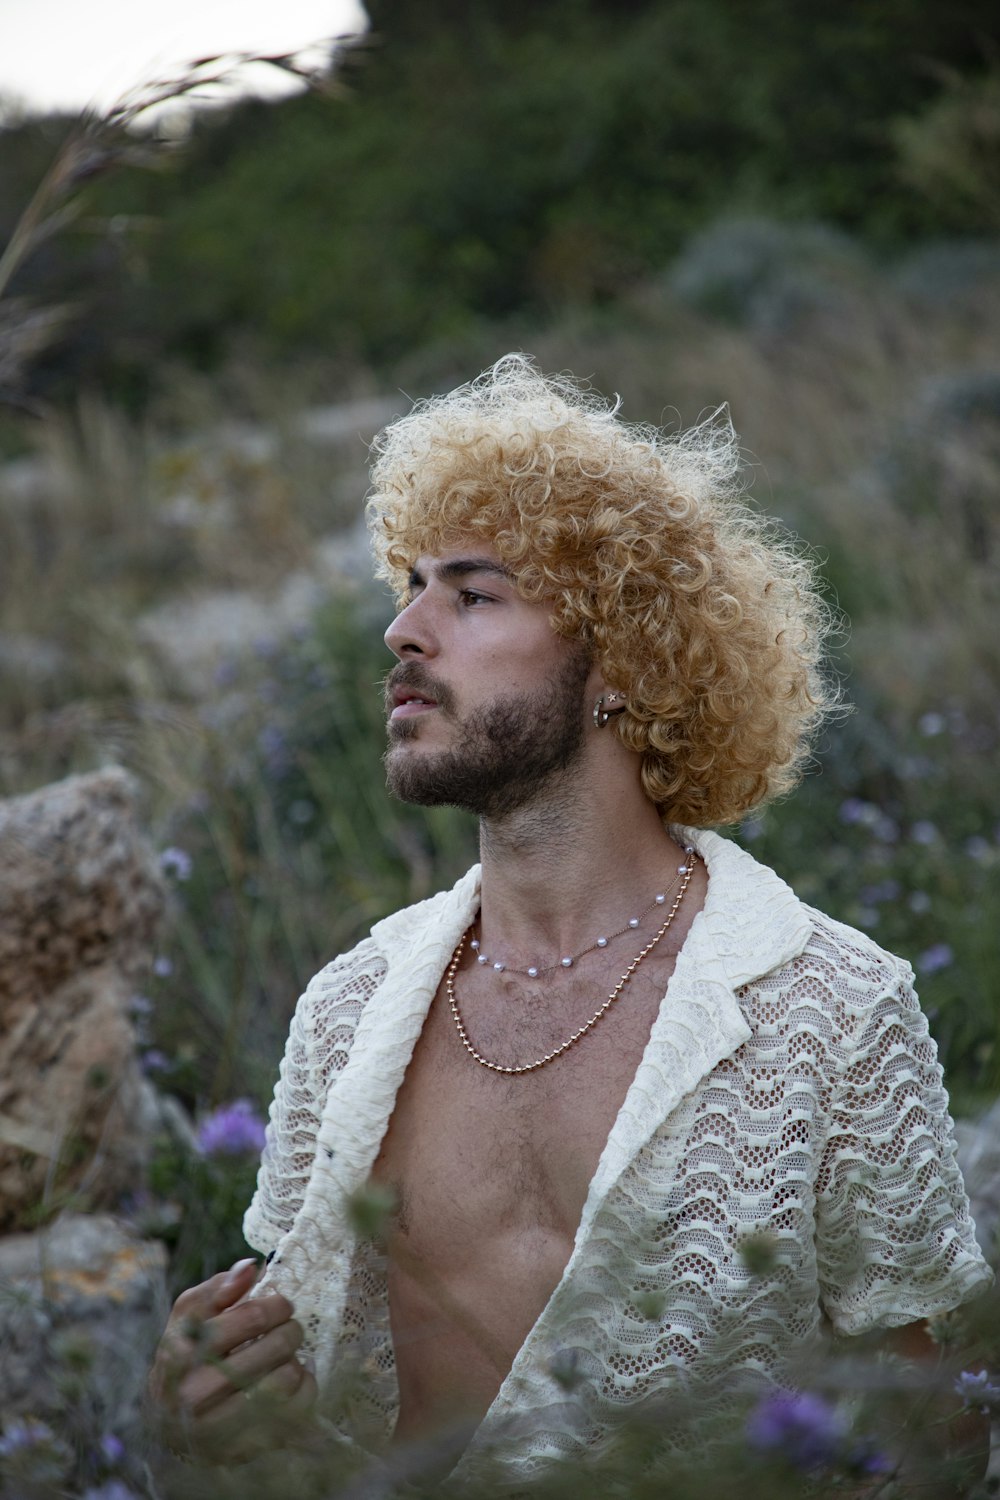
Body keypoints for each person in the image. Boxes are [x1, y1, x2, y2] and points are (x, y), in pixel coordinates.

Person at [150, 355, 992, 1481]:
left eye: (472, 593)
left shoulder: (829, 1011)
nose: (404, 629)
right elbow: (289, 1416)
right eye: (407, 586)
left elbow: (935, 1430)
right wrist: (201, 1415)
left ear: (622, 663)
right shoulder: (351, 1010)